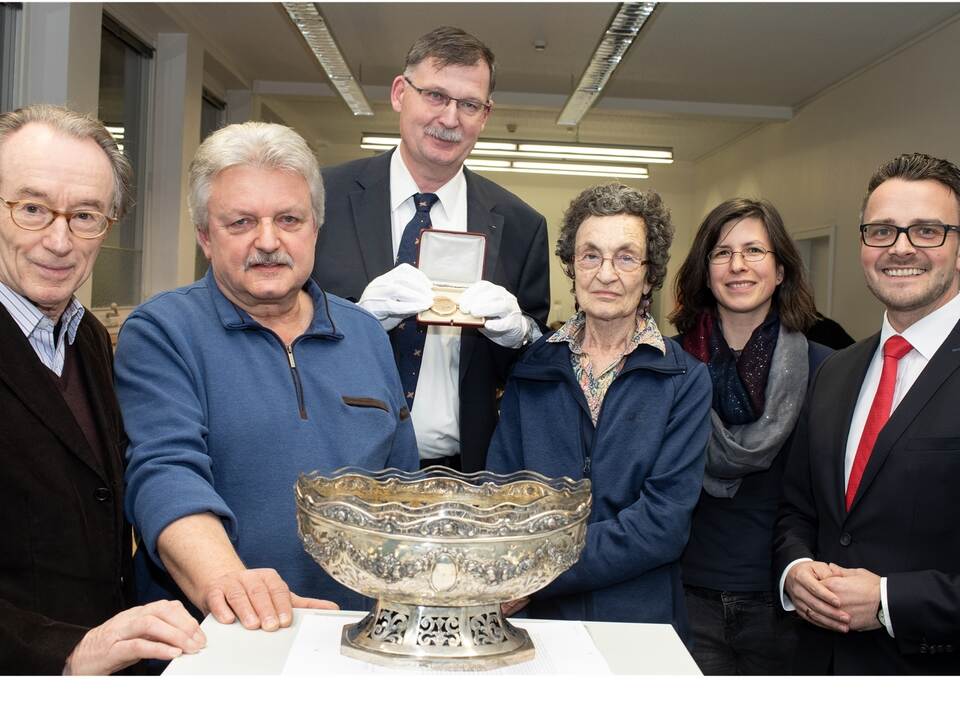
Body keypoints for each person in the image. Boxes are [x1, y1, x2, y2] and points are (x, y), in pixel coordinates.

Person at [114, 122, 419, 632]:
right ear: (205, 237)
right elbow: (165, 474)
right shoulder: (163, 331)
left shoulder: (366, 332)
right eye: (241, 223)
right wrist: (231, 586)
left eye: (289, 219)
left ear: (316, 229)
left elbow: (402, 489)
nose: (269, 241)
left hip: (355, 632)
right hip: (219, 634)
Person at [0, 104, 203, 674]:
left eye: (85, 215)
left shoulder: (87, 335)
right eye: (32, 209)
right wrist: (63, 652)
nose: (59, 241)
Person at [312, 26, 550, 472]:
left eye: (469, 104)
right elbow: (278, 328)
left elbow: (533, 370)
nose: (450, 118)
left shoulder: (522, 226)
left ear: (485, 115)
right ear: (400, 93)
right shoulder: (320, 200)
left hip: (464, 472)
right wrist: (354, 320)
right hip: (336, 462)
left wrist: (520, 336)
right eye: (436, 95)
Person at [486, 183, 711, 639]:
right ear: (572, 267)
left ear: (650, 276)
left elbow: (663, 525)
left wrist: (539, 571)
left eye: (626, 258)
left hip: (640, 625)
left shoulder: (684, 380)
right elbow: (500, 497)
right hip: (539, 627)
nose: (606, 274)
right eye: (591, 255)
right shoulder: (532, 368)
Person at [775, 152, 960, 674]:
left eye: (927, 230)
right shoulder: (835, 371)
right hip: (819, 667)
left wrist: (887, 600)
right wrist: (794, 569)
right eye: (881, 231)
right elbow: (797, 508)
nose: (900, 248)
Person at [671, 199, 832, 674]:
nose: (737, 265)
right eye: (722, 253)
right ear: (705, 272)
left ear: (780, 270)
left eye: (754, 250)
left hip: (786, 602)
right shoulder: (667, 364)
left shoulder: (826, 370)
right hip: (684, 593)